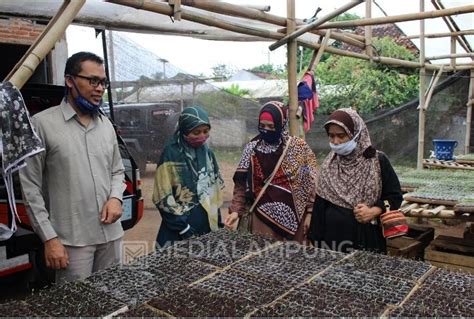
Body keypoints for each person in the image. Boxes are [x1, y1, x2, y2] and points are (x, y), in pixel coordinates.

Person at [19, 52, 125, 282]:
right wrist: (49, 239)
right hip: (72, 242)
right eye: (92, 80)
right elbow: (30, 189)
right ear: (69, 80)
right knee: (76, 307)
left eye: (103, 82)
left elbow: (117, 171)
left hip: (111, 236)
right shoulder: (42, 125)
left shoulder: (106, 125)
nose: (99, 88)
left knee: (113, 299)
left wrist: (116, 198)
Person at [308, 108, 403, 253]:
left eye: (341, 136)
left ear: (357, 134)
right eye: (331, 136)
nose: (335, 142)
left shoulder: (376, 161)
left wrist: (374, 211)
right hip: (333, 242)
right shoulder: (329, 165)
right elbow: (320, 208)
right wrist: (315, 241)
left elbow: (395, 196)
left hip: (367, 238)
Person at [224, 101, 318, 243]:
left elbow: (309, 182)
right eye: (262, 126)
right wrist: (236, 210)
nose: (266, 130)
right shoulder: (251, 150)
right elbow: (241, 185)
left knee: (292, 261)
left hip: (293, 224)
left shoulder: (298, 148)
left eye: (271, 126)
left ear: (282, 123)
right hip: (261, 221)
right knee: (263, 259)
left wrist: (310, 213)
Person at [152, 106, 224, 247]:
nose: (201, 136)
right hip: (178, 229)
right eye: (196, 132)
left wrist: (217, 220)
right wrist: (183, 227)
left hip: (205, 224)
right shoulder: (171, 154)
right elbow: (162, 196)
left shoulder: (207, 153)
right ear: (185, 130)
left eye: (205, 131)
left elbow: (213, 190)